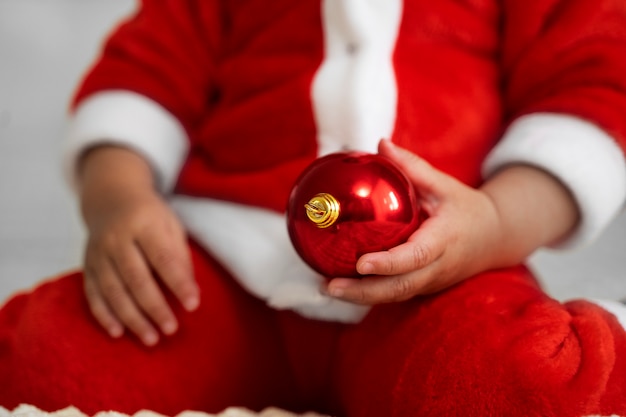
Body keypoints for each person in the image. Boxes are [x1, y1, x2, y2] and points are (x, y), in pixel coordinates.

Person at [1, 1, 626, 416]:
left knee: (525, 381)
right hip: (220, 271)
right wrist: (121, 200)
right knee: (42, 357)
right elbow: (140, 77)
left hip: (443, 274)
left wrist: (495, 225)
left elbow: (590, 93)